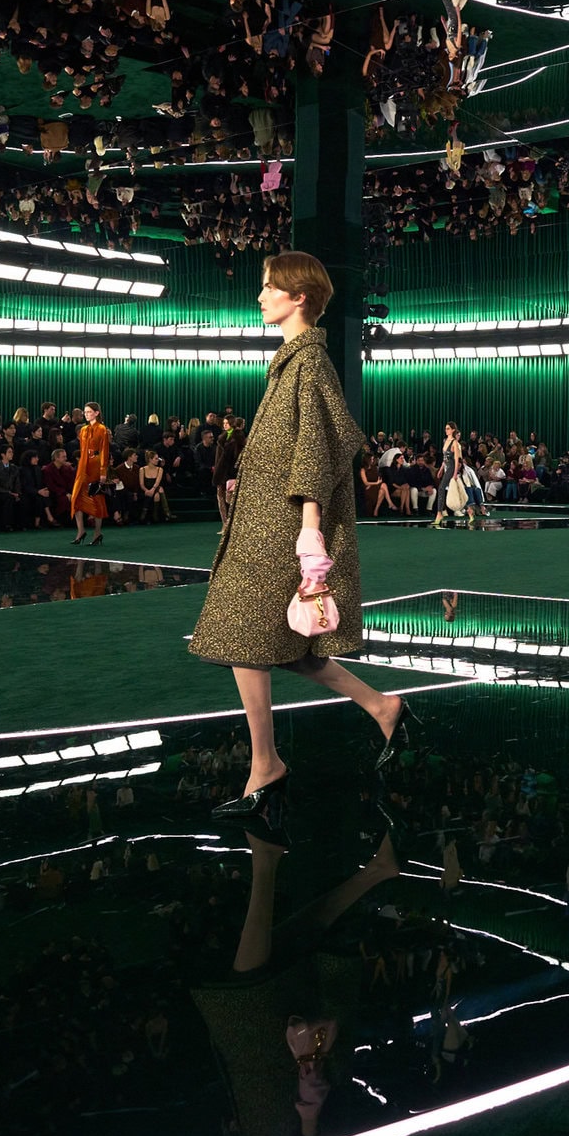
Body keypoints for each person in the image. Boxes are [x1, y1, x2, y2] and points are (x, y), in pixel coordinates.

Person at [187, 251, 416, 826]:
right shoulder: (293, 362)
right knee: (287, 643)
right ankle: (382, 708)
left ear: (300, 298)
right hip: (265, 522)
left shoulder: (309, 363)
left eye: (270, 287)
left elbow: (319, 447)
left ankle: (267, 765)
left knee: (245, 635)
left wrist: (310, 529)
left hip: (281, 529)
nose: (260, 295)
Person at [70, 400, 111, 545]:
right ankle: (80, 530)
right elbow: (82, 450)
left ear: (97, 413)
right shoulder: (83, 429)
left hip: (96, 464)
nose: (86, 414)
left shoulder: (102, 429)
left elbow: (104, 451)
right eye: (85, 412)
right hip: (83, 464)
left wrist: (103, 471)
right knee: (76, 497)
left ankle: (97, 533)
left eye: (89, 412)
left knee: (96, 498)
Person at [433, 421, 465, 530]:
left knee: (441, 488)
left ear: (453, 430)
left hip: (451, 467)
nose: (446, 430)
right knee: (457, 489)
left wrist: (455, 473)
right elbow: (444, 458)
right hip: (447, 467)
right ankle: (469, 509)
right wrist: (441, 469)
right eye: (445, 428)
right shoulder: (446, 441)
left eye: (448, 428)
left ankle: (439, 513)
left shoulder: (454, 443)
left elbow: (456, 460)